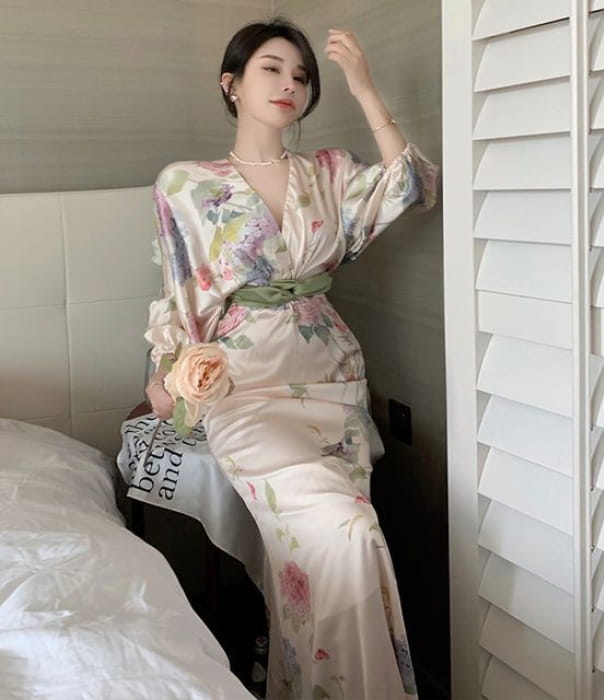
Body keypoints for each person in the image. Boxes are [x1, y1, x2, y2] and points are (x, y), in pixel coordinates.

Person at [144, 16, 438, 700]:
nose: (289, 85)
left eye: (302, 76)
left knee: (309, 562)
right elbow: (180, 295)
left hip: (332, 382)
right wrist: (169, 378)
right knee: (347, 531)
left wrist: (363, 87)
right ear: (231, 84)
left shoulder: (328, 172)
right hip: (244, 388)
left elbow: (414, 185)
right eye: (271, 69)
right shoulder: (186, 184)